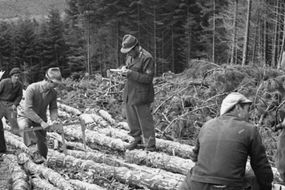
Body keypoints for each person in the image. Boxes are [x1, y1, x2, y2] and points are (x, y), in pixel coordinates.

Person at [179, 92, 273, 190]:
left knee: (192, 173)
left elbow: (195, 157)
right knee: (253, 176)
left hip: (198, 186)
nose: (248, 114)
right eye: (247, 109)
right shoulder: (250, 129)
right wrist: (267, 186)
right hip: (230, 186)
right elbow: (261, 166)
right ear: (237, 107)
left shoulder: (206, 125)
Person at [18, 67, 62, 164]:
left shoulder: (53, 93)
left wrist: (54, 120)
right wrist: (41, 122)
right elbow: (28, 109)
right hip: (26, 116)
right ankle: (34, 152)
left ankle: (43, 159)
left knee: (42, 141)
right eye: (55, 84)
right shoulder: (32, 88)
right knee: (24, 126)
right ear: (49, 80)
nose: (56, 86)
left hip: (41, 117)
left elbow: (53, 108)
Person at [120, 34, 156, 151]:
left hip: (142, 94)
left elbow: (147, 79)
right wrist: (124, 70)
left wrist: (130, 73)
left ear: (136, 47)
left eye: (130, 51)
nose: (128, 54)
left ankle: (150, 145)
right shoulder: (130, 56)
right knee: (132, 119)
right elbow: (129, 67)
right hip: (130, 92)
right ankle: (137, 139)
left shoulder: (147, 58)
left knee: (145, 121)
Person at [0, 67, 23, 156]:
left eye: (18, 76)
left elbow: (19, 96)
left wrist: (15, 104)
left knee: (14, 123)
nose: (16, 78)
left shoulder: (19, 85)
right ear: (11, 76)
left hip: (11, 106)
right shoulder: (4, 82)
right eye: (15, 76)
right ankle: (2, 148)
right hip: (1, 103)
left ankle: (21, 142)